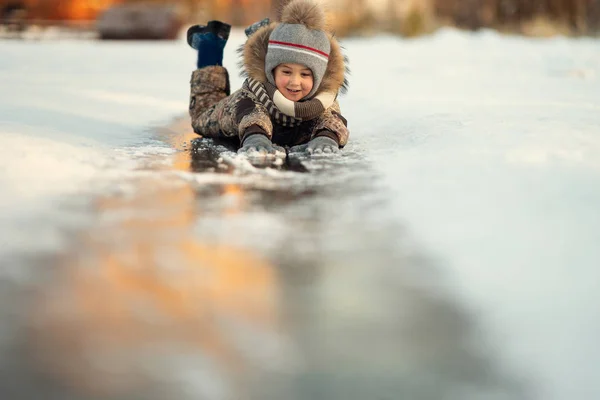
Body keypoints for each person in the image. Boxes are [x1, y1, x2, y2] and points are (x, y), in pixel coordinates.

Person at [187, 0, 349, 158]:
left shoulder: (323, 98)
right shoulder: (253, 95)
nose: (294, 82)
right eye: (286, 72)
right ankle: (209, 47)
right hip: (234, 111)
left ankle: (263, 33)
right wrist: (256, 137)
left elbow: (331, 119)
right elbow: (251, 114)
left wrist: (326, 138)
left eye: (305, 74)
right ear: (272, 70)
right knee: (203, 115)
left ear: (318, 77)